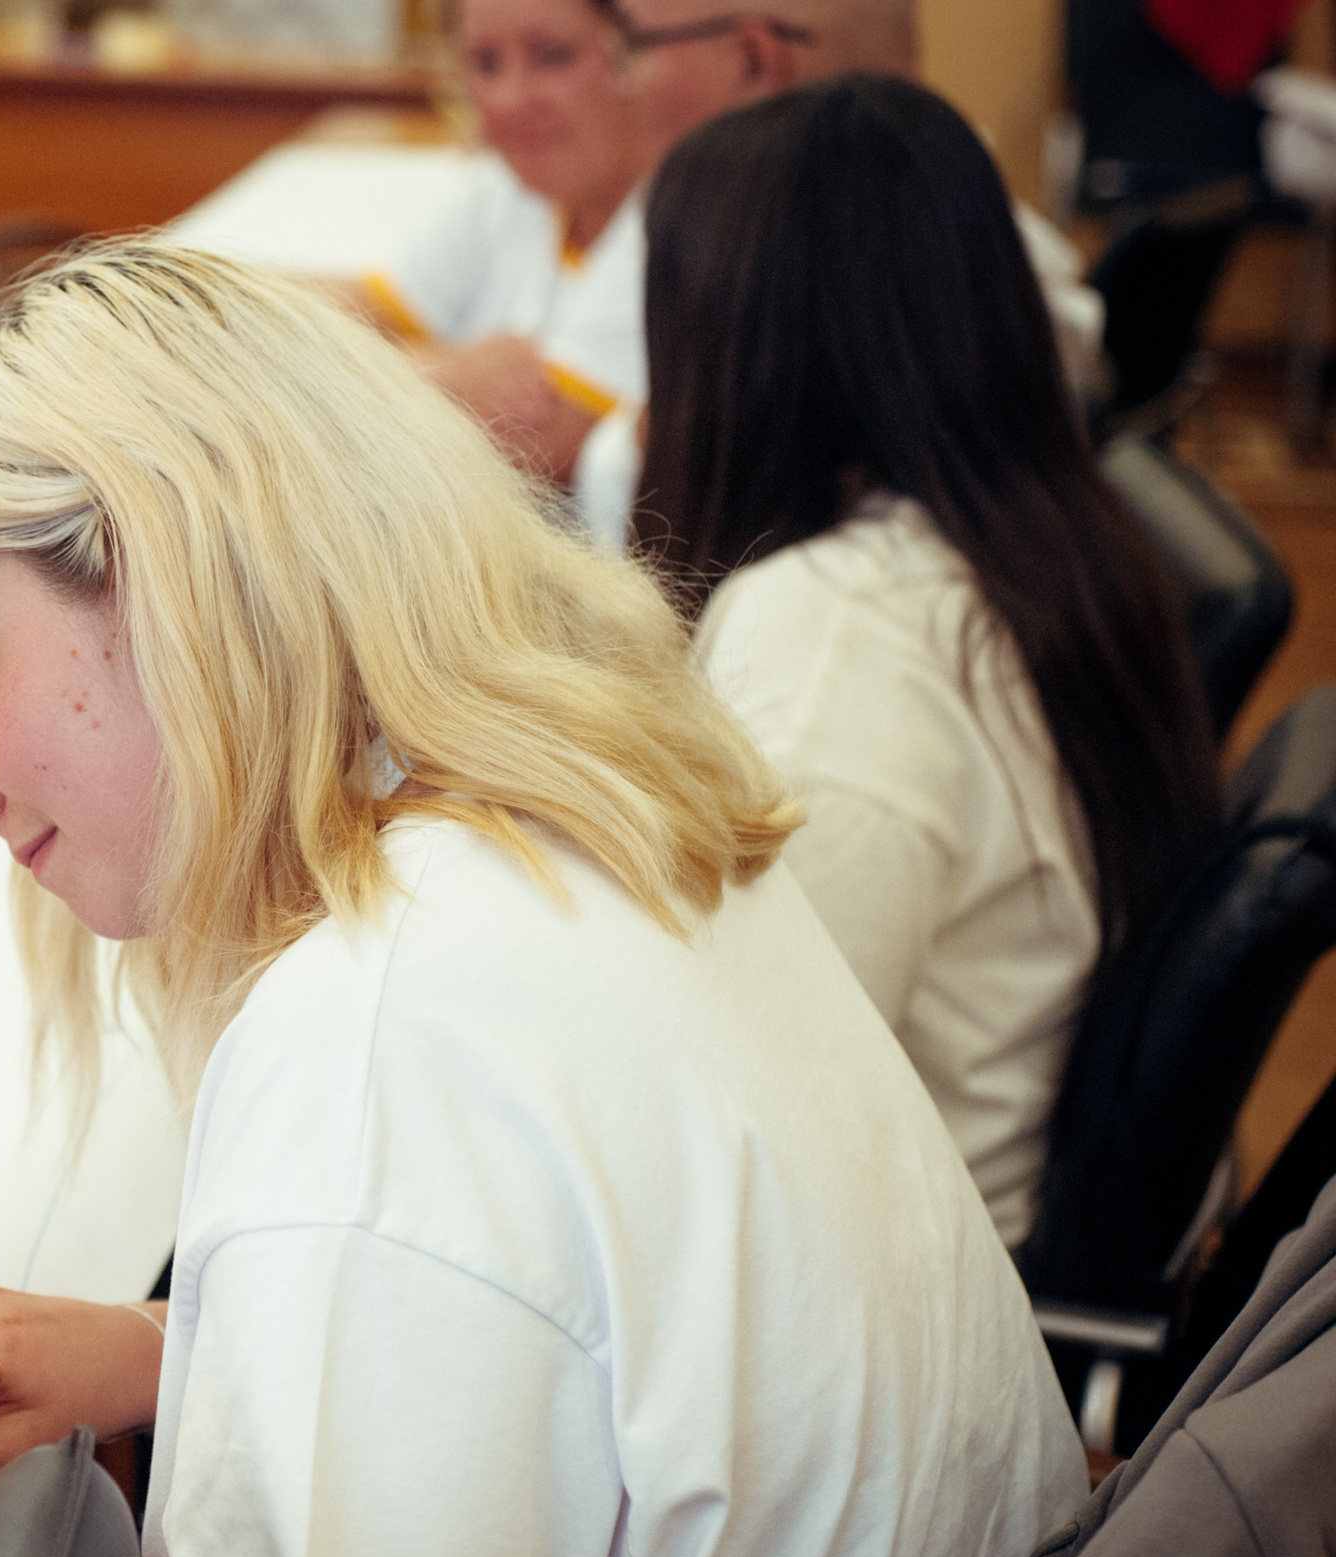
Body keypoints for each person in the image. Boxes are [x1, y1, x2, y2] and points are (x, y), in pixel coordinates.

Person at [0, 242, 1086, 1557]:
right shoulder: (588, 804)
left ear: (176, 588)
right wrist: (184, 1347)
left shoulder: (385, 1025)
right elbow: (588, 1356)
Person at [640, 76, 1221, 1247]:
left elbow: (737, 1107)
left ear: (732, 349)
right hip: (960, 1200)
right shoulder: (1038, 534)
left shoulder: (832, 649)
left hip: (885, 1268)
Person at [607, 0, 1108, 398]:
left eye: (631, 45)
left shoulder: (916, 310)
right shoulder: (982, 263)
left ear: (754, 61)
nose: (617, 87)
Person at [375, 0, 647, 517]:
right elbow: (348, 311)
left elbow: (537, 447)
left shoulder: (675, 221)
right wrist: (451, 373)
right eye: (484, 63)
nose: (510, 99)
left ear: (638, 52)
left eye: (554, 56)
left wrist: (415, 371)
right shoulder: (508, 183)